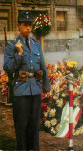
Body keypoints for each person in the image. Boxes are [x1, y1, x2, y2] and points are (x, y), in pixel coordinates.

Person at [3, 11, 50, 150]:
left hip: (35, 89)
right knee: (21, 127)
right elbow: (8, 67)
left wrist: (46, 87)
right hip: (21, 91)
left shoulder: (35, 44)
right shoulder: (12, 46)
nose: (28, 28)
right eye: (25, 25)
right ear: (19, 26)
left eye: (30, 25)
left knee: (34, 127)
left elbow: (42, 65)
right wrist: (19, 53)